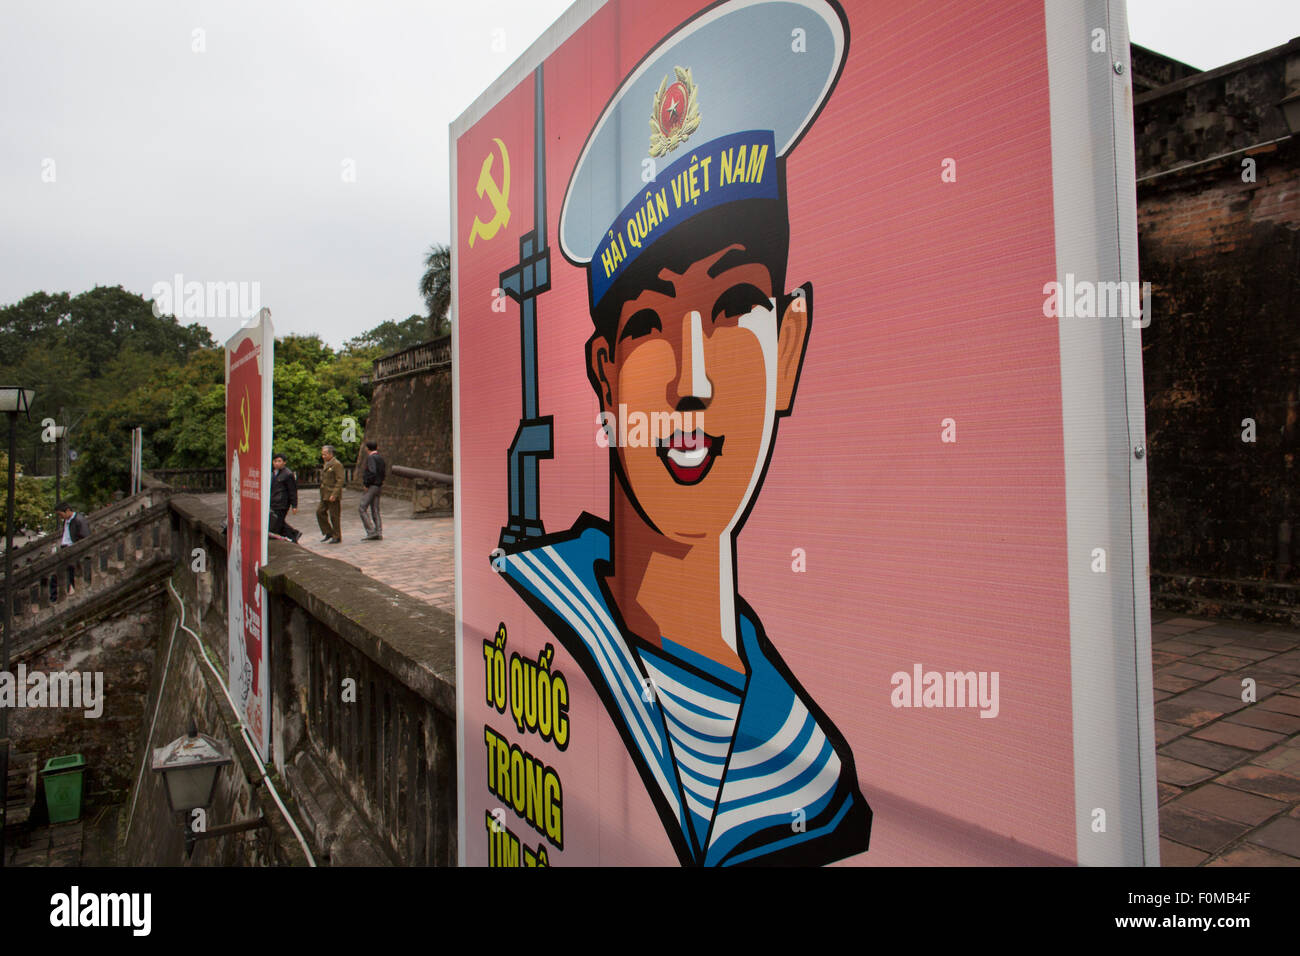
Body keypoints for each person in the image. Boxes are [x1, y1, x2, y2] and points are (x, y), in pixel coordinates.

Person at [493, 0, 869, 866]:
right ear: (601, 374)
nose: (693, 382)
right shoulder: (539, 614)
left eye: (736, 308)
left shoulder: (814, 774)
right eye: (651, 326)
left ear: (792, 347)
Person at [54, 502, 90, 597]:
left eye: (60, 514)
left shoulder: (78, 520)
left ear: (68, 511)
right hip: (66, 550)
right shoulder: (67, 520)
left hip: (72, 551)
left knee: (71, 574)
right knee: (66, 575)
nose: (60, 517)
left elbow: (85, 537)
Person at [269, 453, 301, 542]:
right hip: (273, 502)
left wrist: (294, 505)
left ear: (284, 463)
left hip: (282, 503)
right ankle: (293, 533)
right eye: (275, 461)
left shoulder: (288, 474)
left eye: (279, 461)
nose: (277, 463)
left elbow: (292, 491)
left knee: (277, 523)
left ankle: (292, 536)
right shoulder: (272, 472)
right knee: (277, 521)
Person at [359, 439, 386, 541]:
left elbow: (372, 472)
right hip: (379, 485)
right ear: (377, 447)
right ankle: (378, 531)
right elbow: (383, 472)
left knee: (362, 508)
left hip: (372, 486)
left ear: (367, 449)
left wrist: (366, 483)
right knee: (375, 509)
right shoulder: (380, 458)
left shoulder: (371, 458)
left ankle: (370, 531)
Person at [316, 445, 344, 543]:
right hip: (324, 493)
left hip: (332, 493)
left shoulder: (336, 464)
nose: (323, 456)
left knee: (334, 516)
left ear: (330, 454)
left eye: (325, 454)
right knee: (319, 512)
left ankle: (337, 536)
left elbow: (340, 480)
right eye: (322, 454)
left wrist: (335, 494)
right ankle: (328, 531)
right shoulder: (326, 463)